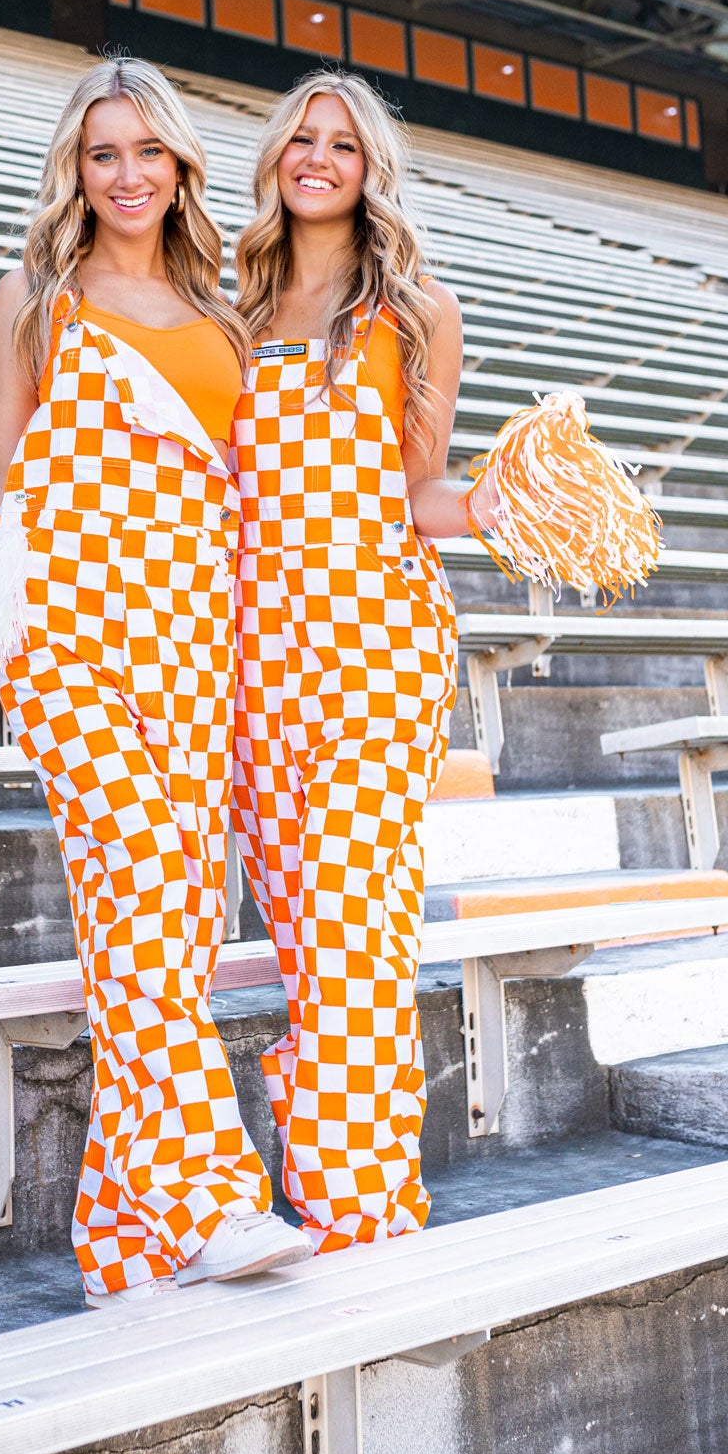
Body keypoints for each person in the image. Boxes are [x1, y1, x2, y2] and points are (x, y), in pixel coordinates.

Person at [0, 56, 310, 1307]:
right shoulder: (35, 300)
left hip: (192, 645)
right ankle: (212, 1196)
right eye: (104, 153)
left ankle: (123, 1236)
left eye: (149, 151)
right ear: (76, 169)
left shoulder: (226, 313)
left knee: (156, 934)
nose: (129, 173)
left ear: (182, 166)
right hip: (68, 634)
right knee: (146, 887)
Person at [230, 67, 488, 1254]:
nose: (318, 155)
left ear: (370, 167)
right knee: (300, 919)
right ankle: (319, 1189)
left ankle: (362, 1203)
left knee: (356, 914)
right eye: (302, 136)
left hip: (375, 633)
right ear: (277, 154)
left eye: (342, 141)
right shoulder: (222, 299)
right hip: (247, 644)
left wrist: (493, 503)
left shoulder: (418, 310)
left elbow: (416, 487)